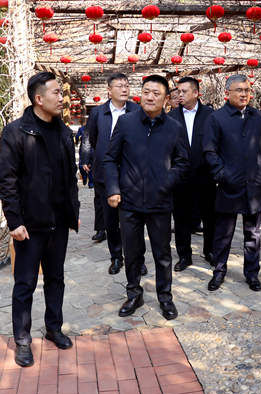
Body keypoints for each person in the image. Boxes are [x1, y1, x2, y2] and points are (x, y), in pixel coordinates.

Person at [0, 71, 80, 366]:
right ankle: (22, 339)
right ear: (39, 99)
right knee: (25, 283)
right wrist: (14, 221)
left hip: (59, 222)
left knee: (56, 279)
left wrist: (72, 212)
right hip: (30, 224)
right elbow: (7, 181)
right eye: (56, 92)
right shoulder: (16, 132)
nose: (62, 98)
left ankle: (53, 328)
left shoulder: (64, 132)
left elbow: (70, 177)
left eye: (61, 92)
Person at [103, 75, 189, 320]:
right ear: (140, 94)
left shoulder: (174, 127)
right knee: (132, 252)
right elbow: (110, 159)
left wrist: (166, 182)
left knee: (162, 253)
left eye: (156, 93)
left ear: (166, 99)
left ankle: (165, 297)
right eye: (146, 92)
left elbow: (182, 162)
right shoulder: (126, 122)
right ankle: (134, 294)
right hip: (129, 201)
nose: (150, 97)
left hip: (160, 201)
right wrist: (113, 189)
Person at [203, 74, 261, 293]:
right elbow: (210, 151)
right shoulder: (216, 118)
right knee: (223, 232)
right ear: (227, 93)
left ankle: (252, 274)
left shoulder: (257, 116)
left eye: (247, 90)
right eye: (239, 90)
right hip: (229, 185)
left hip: (255, 184)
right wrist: (222, 174)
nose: (244, 94)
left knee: (253, 233)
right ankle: (219, 272)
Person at [81, 73, 147, 276]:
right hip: (105, 174)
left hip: (132, 175)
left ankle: (138, 259)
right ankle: (116, 257)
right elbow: (93, 139)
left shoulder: (138, 110)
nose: (124, 89)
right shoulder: (98, 113)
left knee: (135, 220)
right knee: (111, 221)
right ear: (109, 90)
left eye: (126, 85)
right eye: (119, 86)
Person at [168, 76, 215, 271]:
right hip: (180, 176)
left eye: (184, 91)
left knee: (209, 216)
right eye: (178, 91)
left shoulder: (211, 115)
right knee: (181, 217)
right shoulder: (171, 117)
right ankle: (184, 255)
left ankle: (210, 251)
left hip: (205, 175)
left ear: (196, 93)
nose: (180, 95)